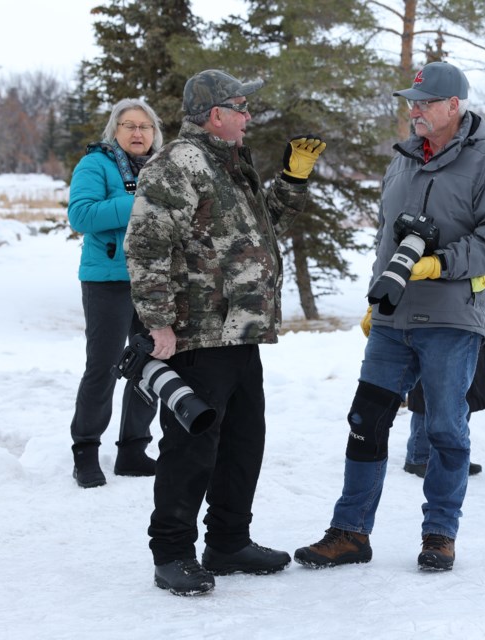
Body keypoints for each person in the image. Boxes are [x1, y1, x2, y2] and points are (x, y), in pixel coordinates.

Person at [294, 61, 485, 572]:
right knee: (365, 421)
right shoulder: (401, 161)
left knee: (444, 428)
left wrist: (439, 264)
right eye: (411, 102)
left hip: (451, 318)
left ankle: (440, 533)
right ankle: (350, 531)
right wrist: (377, 301)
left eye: (424, 102)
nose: (414, 110)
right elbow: (385, 239)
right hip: (394, 321)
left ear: (454, 107)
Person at [124, 69, 326, 595]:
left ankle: (229, 542)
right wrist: (159, 322)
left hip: (241, 330)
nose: (248, 115)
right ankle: (171, 553)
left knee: (243, 441)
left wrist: (294, 179)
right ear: (216, 115)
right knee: (191, 449)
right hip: (198, 332)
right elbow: (146, 244)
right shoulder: (176, 165)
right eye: (241, 107)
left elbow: (260, 229)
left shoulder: (231, 164)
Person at [67, 98, 164, 488]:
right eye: (129, 125)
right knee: (105, 366)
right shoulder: (96, 164)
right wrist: (139, 201)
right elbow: (82, 216)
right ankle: (86, 451)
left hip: (155, 279)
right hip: (108, 279)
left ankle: (133, 451)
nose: (138, 133)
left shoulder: (163, 168)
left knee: (151, 364)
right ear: (115, 130)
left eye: (146, 126)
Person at [402, 331, 485, 478]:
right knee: (430, 393)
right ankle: (418, 458)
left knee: (463, 394)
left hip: (471, 324)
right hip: (438, 327)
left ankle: (452, 457)